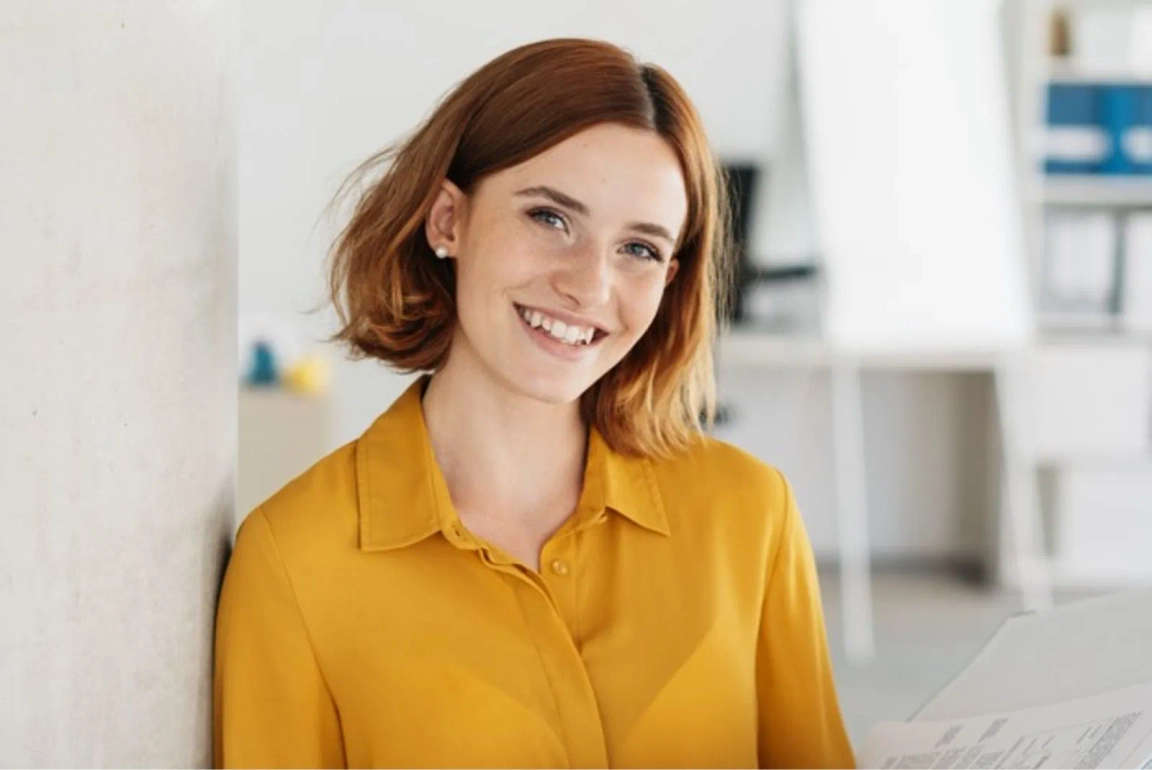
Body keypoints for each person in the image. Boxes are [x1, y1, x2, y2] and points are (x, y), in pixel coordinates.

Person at [213, 37, 854, 769]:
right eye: (551, 218)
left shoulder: (750, 516)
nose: (589, 286)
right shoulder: (295, 563)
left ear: (670, 279)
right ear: (447, 220)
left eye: (639, 249)